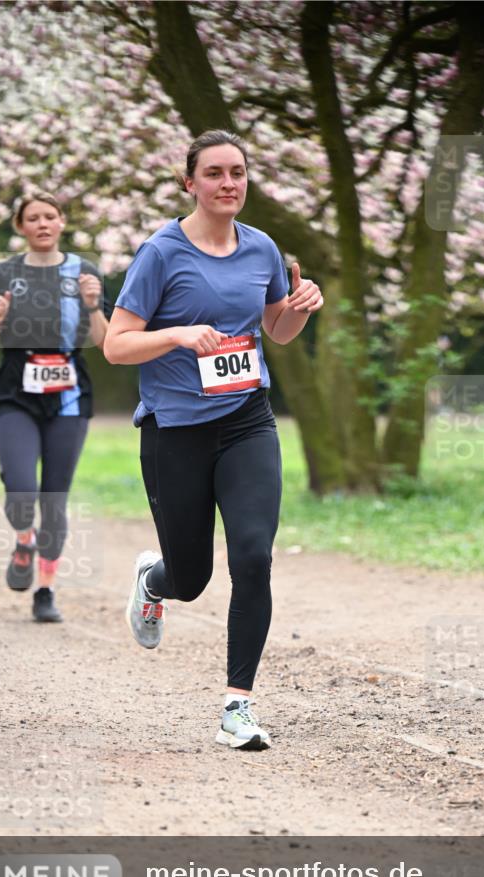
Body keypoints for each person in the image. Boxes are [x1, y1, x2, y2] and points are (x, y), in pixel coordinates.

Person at [104, 129, 323, 750]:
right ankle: (156, 580)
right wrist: (177, 335)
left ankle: (238, 707)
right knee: (193, 577)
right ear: (190, 183)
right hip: (175, 431)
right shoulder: (161, 253)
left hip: (247, 419)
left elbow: (276, 331)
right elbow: (116, 346)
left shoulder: (262, 250)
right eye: (215, 173)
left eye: (238, 172)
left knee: (253, 556)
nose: (229, 183)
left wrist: (302, 303)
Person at [0, 192, 108, 623]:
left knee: (54, 498)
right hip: (16, 390)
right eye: (32, 218)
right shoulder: (4, 272)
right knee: (20, 488)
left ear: (62, 221)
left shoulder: (83, 271)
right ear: (20, 226)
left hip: (69, 391)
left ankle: (46, 589)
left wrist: (92, 306)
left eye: (49, 216)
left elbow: (103, 340)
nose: (42, 224)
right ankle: (22, 540)